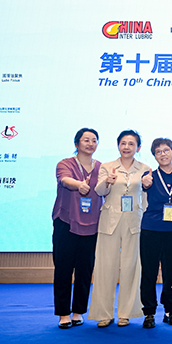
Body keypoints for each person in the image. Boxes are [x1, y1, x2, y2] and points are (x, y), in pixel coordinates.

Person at [90, 129, 148, 328]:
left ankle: (126, 313)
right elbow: (99, 191)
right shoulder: (107, 167)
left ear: (138, 148)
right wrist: (107, 182)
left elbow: (146, 198)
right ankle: (104, 314)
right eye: (123, 143)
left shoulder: (145, 169)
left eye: (131, 144)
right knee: (105, 267)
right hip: (110, 220)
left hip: (134, 222)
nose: (126, 147)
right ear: (118, 146)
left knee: (131, 267)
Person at [52, 128, 102, 329]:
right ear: (76, 143)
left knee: (85, 270)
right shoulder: (65, 164)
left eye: (94, 140)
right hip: (67, 222)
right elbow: (64, 180)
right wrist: (78, 184)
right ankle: (63, 313)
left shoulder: (101, 167)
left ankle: (78, 311)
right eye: (86, 140)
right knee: (63, 269)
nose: (90, 144)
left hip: (92, 226)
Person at [139, 137, 172, 329]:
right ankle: (149, 312)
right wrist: (144, 183)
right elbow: (143, 186)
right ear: (154, 156)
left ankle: (169, 310)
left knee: (171, 272)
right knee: (149, 272)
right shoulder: (149, 175)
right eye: (158, 152)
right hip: (150, 229)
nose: (163, 154)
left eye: (166, 150)